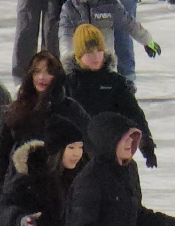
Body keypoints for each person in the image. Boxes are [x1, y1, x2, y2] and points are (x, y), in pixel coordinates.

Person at [0, 52, 89, 209]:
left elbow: (89, 146)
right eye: (37, 71)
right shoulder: (14, 110)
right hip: (21, 192)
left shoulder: (71, 109)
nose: (42, 77)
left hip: (63, 192)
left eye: (49, 72)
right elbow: (0, 155)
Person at [0, 115, 85, 226]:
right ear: (57, 149)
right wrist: (20, 220)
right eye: (71, 148)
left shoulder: (80, 179)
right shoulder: (29, 177)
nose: (77, 154)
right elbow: (3, 208)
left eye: (80, 147)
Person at [65, 23, 158, 169]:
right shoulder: (68, 84)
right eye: (89, 52)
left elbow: (133, 113)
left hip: (111, 152)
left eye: (99, 51)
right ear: (79, 56)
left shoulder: (115, 82)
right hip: (78, 155)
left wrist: (145, 143)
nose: (96, 56)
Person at [59, 0, 161, 74]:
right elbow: (65, 36)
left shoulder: (109, 6)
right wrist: (68, 62)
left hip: (105, 66)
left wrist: (147, 41)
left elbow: (130, 24)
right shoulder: (69, 8)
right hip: (79, 67)